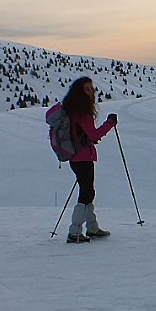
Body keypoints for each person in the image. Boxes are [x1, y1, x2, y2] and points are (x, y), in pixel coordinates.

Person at [60, 76, 118, 243]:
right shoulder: (82, 113)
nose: (91, 91)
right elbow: (94, 134)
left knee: (87, 191)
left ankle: (91, 228)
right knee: (86, 193)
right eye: (87, 89)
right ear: (80, 92)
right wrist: (110, 123)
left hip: (76, 157)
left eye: (91, 88)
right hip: (83, 157)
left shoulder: (73, 110)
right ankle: (75, 231)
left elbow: (86, 135)